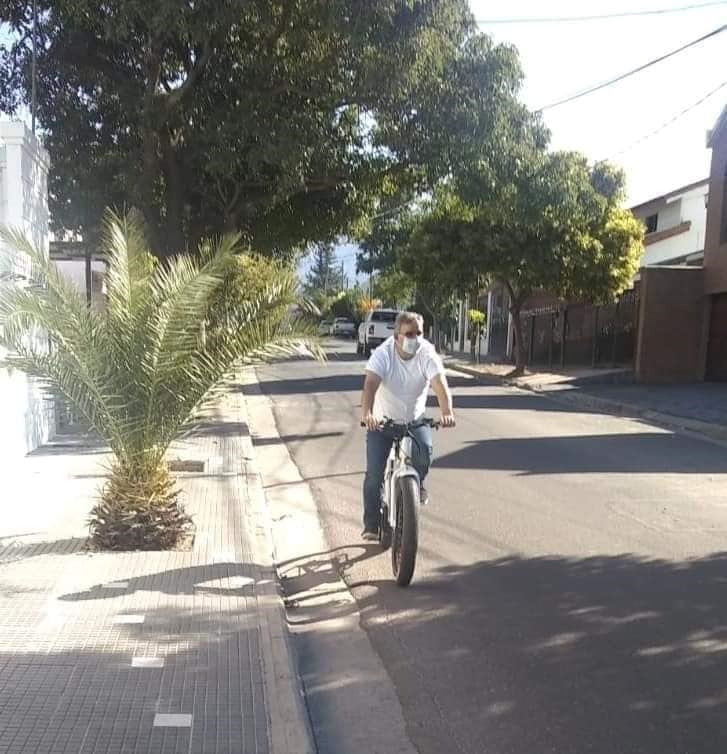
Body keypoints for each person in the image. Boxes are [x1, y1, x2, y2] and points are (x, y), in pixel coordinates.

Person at [359, 311, 455, 540]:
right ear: (396, 336)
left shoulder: (427, 353)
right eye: (408, 333)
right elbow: (370, 384)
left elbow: (439, 384)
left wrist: (447, 412)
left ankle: (416, 485)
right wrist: (367, 413)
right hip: (382, 423)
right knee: (374, 474)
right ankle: (371, 524)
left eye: (419, 333)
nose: (414, 338)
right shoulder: (383, 354)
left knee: (424, 456)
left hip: (415, 420)